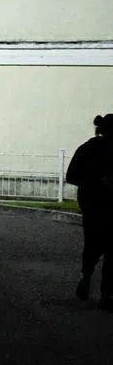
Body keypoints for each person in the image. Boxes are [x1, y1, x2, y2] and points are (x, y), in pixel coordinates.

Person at [65, 112, 113, 308]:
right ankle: (105, 293)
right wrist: (99, 182)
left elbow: (71, 176)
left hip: (92, 206)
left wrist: (91, 184)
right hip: (102, 206)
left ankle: (89, 277)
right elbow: (72, 176)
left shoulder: (86, 148)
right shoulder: (93, 149)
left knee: (94, 245)